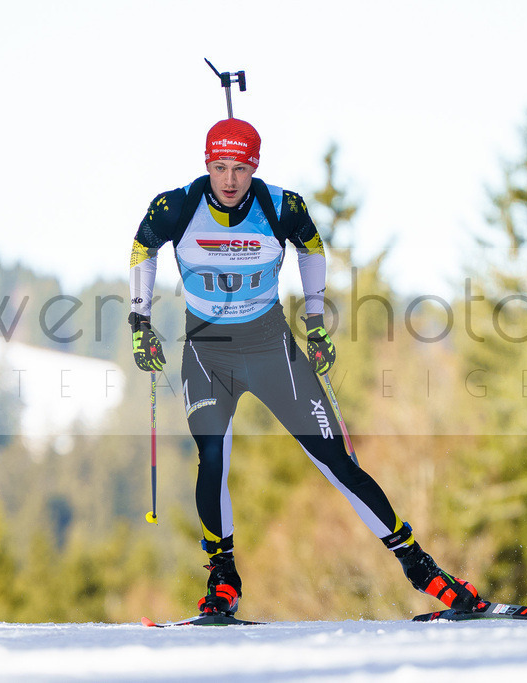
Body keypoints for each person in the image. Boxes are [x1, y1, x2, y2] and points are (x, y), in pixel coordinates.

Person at [128, 118, 481, 617]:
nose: (229, 179)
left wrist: (315, 324)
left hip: (273, 349)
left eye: (241, 168)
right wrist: (140, 320)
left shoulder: (281, 206)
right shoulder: (176, 207)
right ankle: (223, 579)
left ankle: (422, 569)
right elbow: (143, 248)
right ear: (206, 164)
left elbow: (311, 249)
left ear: (256, 167)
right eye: (219, 167)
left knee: (337, 462)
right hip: (209, 352)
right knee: (214, 459)